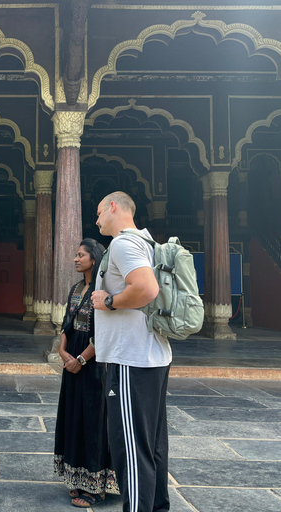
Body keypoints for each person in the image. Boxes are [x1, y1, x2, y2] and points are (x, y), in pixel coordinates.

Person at [91, 191, 169, 512]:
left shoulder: (124, 243)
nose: (96, 220)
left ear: (114, 207)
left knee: (131, 451)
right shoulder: (148, 243)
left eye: (98, 212)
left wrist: (108, 301)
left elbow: (147, 289)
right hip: (153, 355)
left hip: (130, 360)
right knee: (152, 447)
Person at [54, 238, 118, 507]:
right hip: (73, 362)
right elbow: (68, 324)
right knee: (74, 417)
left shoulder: (103, 291)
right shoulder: (77, 288)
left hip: (94, 364)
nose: (76, 259)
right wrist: (62, 351)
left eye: (81, 255)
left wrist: (81, 359)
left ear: (95, 258)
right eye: (76, 255)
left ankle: (96, 487)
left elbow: (104, 332)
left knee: (94, 421)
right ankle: (79, 478)